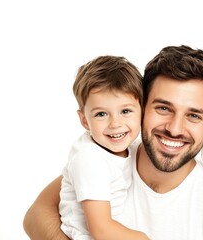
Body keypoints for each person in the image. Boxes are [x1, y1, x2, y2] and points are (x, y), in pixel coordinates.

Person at [23, 45, 203, 240]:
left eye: (193, 115)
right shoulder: (107, 158)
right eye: (163, 108)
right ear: (142, 108)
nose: (174, 128)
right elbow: (36, 216)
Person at [59, 55, 149, 239]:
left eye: (125, 111)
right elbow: (100, 229)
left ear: (142, 110)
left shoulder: (130, 146)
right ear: (84, 120)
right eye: (101, 114)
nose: (115, 124)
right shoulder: (89, 159)